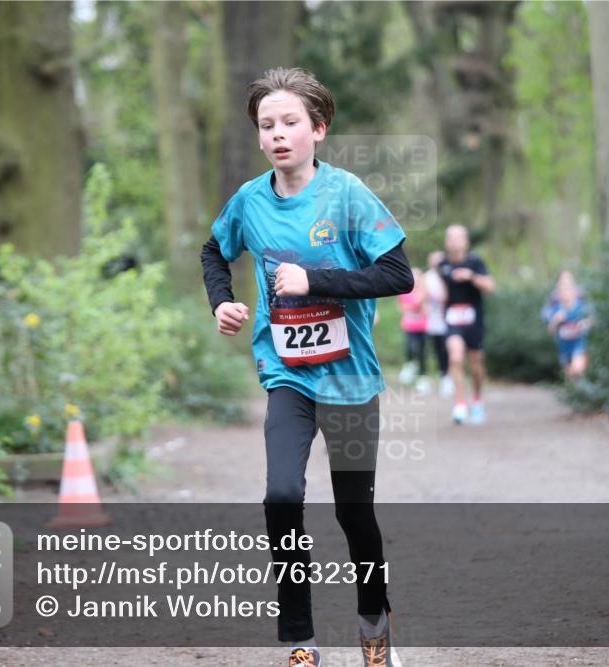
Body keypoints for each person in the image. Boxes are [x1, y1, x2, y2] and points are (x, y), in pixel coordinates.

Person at [200, 67, 412, 667]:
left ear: (318, 128)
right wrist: (222, 301)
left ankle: (375, 630)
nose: (278, 134)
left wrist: (316, 279)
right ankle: (299, 643)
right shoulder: (249, 201)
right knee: (281, 497)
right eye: (267, 125)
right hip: (287, 374)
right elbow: (214, 249)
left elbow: (399, 275)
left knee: (353, 513)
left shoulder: (346, 195)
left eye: (290, 122)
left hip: (349, 379)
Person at [439, 225, 495, 425]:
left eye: (458, 238)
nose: (454, 242)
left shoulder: (475, 261)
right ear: (447, 242)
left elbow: (490, 286)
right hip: (453, 321)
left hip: (473, 321)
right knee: (455, 357)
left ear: (466, 241)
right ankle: (460, 403)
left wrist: (471, 277)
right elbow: (442, 290)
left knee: (476, 364)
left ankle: (477, 400)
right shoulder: (443, 264)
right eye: (450, 238)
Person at [543, 271, 594, 380]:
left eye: (569, 288)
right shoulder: (555, 307)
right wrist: (556, 320)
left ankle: (582, 390)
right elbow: (550, 329)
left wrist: (583, 325)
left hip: (579, 344)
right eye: (563, 289)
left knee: (577, 369)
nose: (566, 292)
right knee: (570, 377)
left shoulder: (581, 306)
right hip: (564, 347)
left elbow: (591, 319)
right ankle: (576, 394)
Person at [423, 250, 453, 397]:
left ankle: (446, 377)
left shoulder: (447, 275)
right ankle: (428, 377)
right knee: (431, 349)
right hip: (430, 320)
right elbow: (423, 296)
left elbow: (449, 296)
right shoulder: (427, 277)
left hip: (446, 318)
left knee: (446, 349)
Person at [397, 268, 430, 394]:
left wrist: (413, 305)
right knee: (409, 348)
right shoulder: (405, 291)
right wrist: (413, 306)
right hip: (409, 325)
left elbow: (420, 305)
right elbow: (403, 307)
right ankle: (410, 366)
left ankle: (423, 377)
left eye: (417, 276)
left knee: (421, 352)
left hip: (422, 326)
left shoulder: (424, 291)